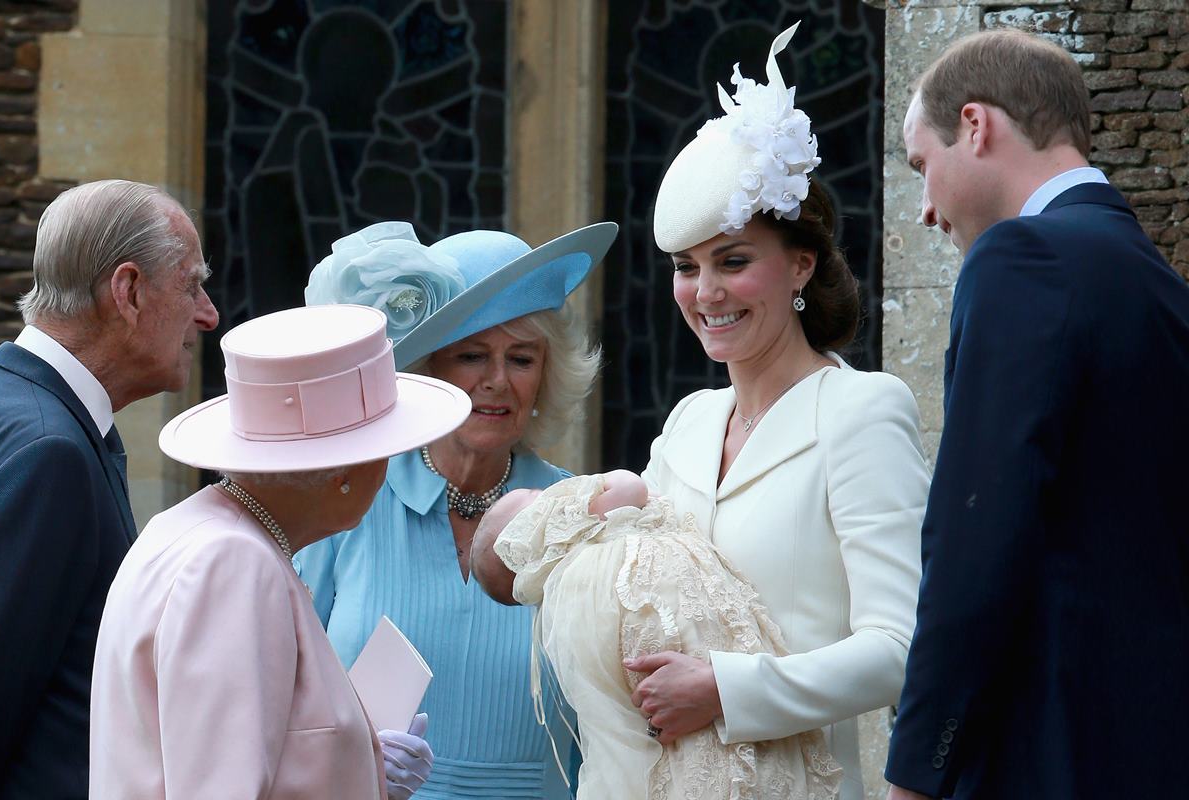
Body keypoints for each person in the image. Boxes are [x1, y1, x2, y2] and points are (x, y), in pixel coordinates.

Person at [624, 25, 931, 800]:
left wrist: (728, 692)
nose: (707, 293)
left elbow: (899, 646)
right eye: (686, 269)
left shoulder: (861, 410)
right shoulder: (687, 425)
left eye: (733, 261)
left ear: (800, 264)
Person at [885, 29, 1189, 800]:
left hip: (1046, 752)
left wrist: (920, 767)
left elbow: (977, 528)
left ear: (977, 125)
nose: (924, 209)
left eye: (923, 167)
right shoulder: (1158, 287)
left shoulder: (1024, 257)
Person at [89, 304, 470, 798]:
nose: (388, 466)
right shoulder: (232, 563)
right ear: (342, 474)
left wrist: (361, 765)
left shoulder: (203, 531)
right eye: (383, 447)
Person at [294, 219, 617, 798]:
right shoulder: (347, 505)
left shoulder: (577, 517)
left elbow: (611, 720)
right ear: (426, 369)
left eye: (521, 359)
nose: (497, 381)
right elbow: (281, 690)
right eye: (472, 356)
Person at [0, 179, 219, 797]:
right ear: (129, 291)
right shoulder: (50, 452)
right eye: (192, 283)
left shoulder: (15, 405)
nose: (208, 313)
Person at [470, 473, 843, 800]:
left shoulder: (568, 601)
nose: (555, 493)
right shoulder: (589, 559)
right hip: (737, 717)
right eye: (537, 498)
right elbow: (632, 487)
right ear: (535, 534)